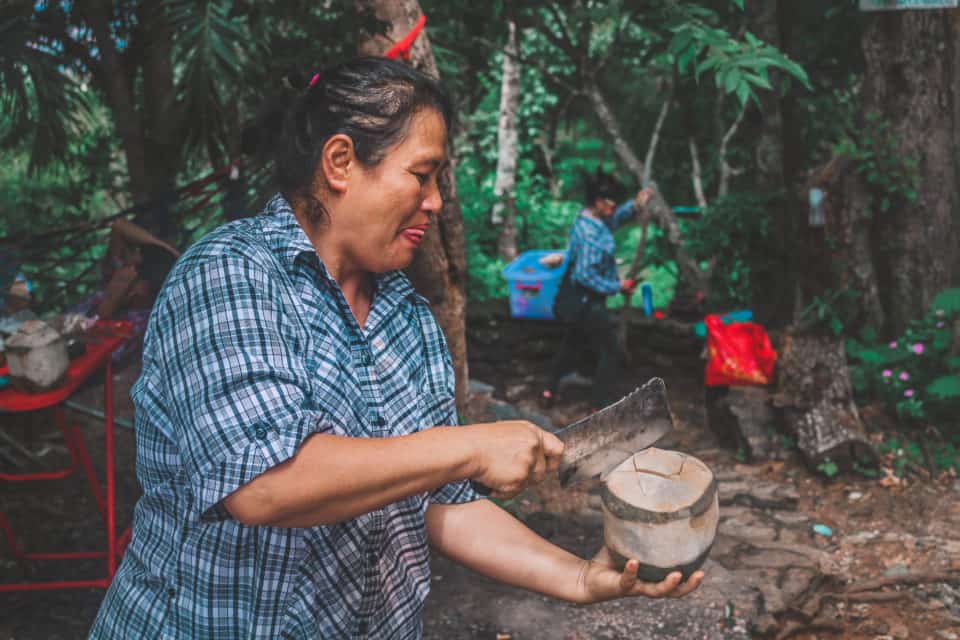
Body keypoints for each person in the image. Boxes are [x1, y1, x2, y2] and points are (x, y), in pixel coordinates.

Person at [89, 58, 701, 639]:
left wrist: (576, 577)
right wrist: (470, 445)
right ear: (339, 162)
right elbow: (264, 486)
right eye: (421, 174)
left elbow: (439, 504)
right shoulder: (231, 275)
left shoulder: (408, 319)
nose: (435, 201)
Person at [542, 168, 654, 410]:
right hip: (585, 301)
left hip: (575, 300)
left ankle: (549, 389)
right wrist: (617, 286)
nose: (613, 210)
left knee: (571, 344)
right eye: (611, 204)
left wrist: (634, 206)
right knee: (611, 351)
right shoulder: (590, 233)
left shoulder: (591, 219)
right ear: (598, 202)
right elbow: (585, 275)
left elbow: (612, 220)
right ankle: (599, 404)